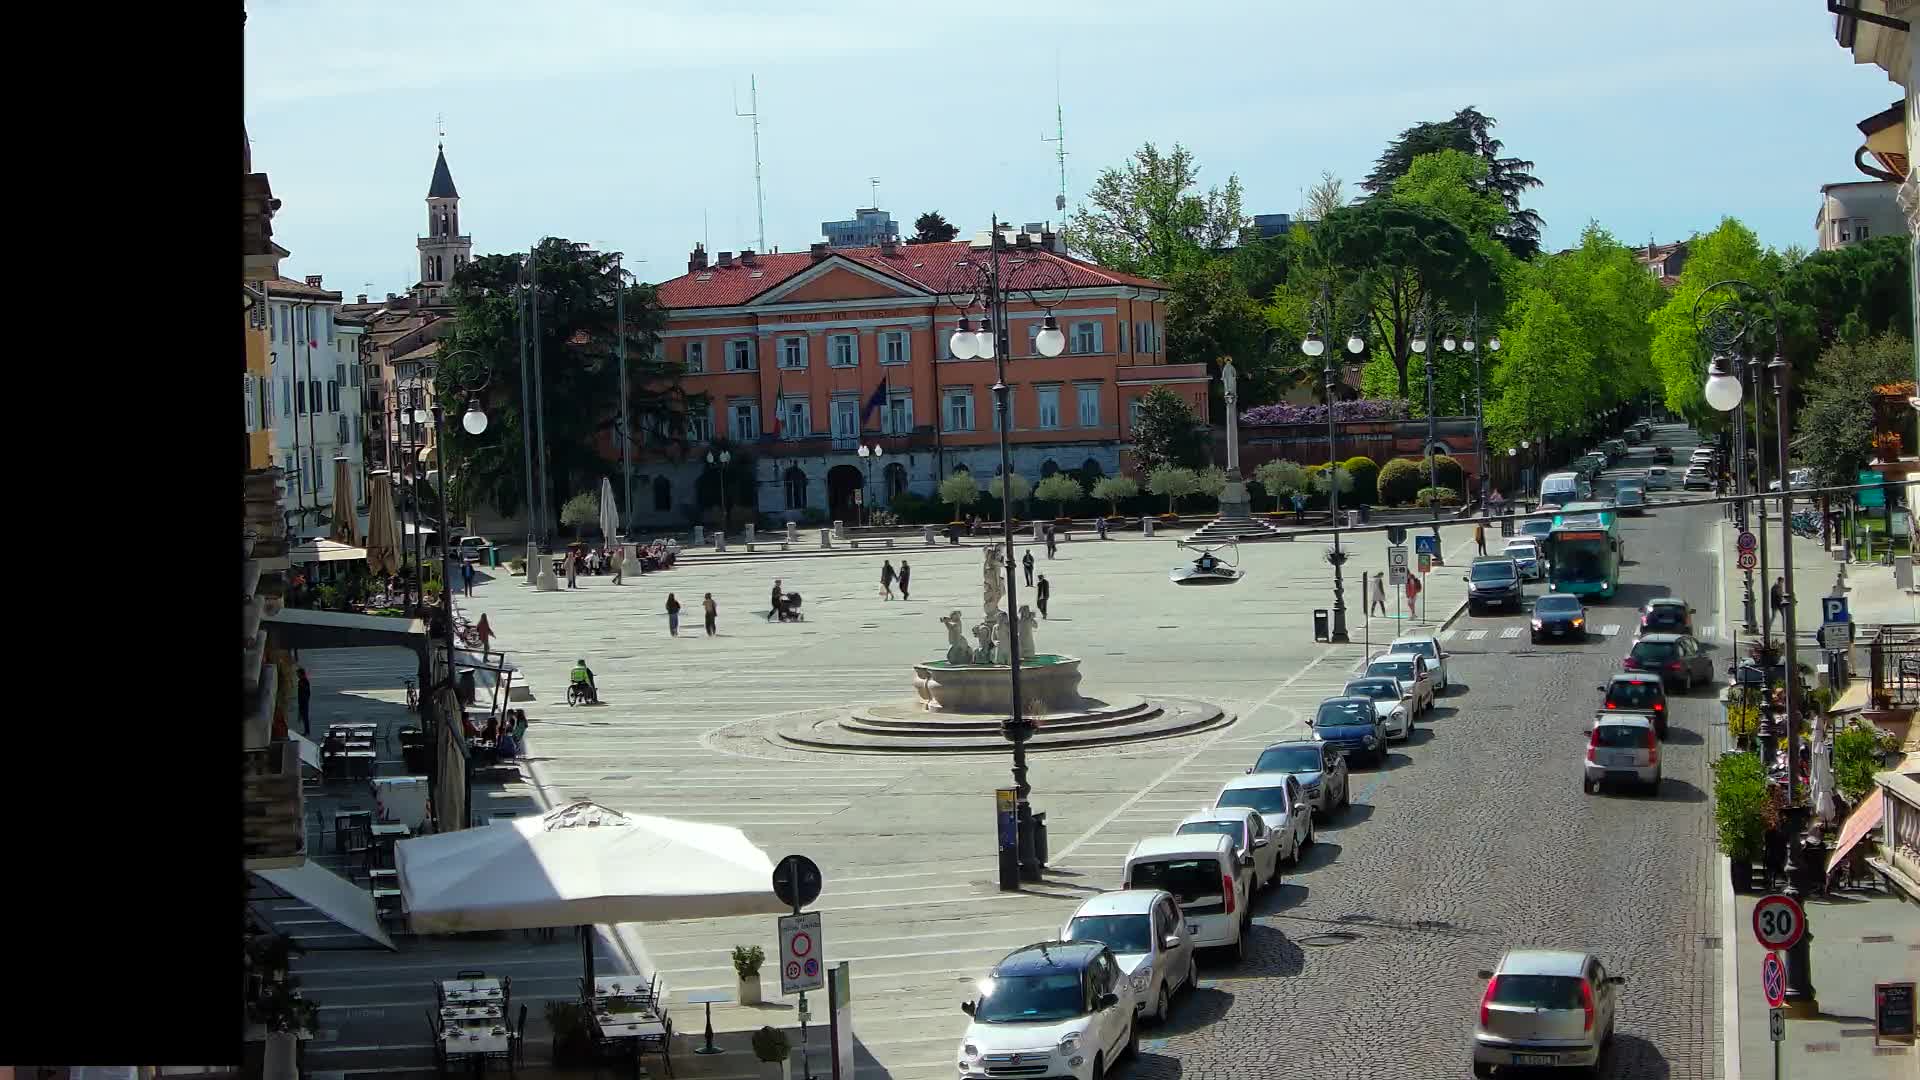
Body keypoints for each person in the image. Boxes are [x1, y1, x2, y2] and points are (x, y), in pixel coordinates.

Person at [296, 667, 312, 735]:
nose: (297, 675)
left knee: (304, 716)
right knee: (303, 715)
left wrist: (305, 700)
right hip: (302, 700)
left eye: (298, 674)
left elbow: (307, 692)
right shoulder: (301, 681)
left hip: (304, 700)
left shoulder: (304, 681)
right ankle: (306, 730)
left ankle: (307, 731)